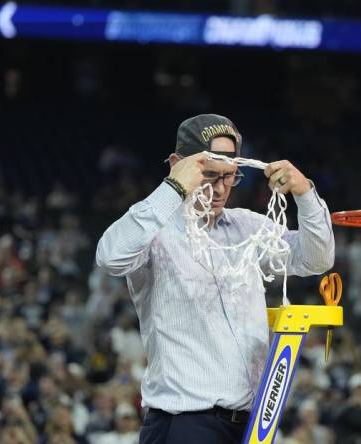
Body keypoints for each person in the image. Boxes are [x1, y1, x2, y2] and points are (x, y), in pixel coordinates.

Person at [95, 114, 335, 444]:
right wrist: (173, 189)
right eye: (210, 175)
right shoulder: (156, 229)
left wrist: (305, 192)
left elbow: (315, 258)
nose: (221, 188)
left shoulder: (246, 228)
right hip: (185, 423)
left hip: (252, 423)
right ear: (179, 164)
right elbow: (109, 256)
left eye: (230, 177)